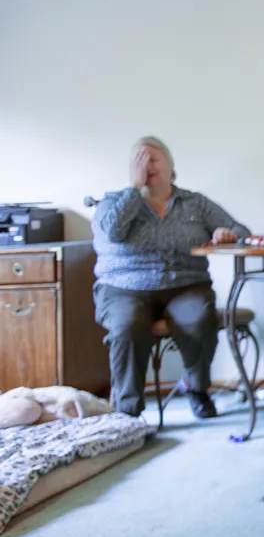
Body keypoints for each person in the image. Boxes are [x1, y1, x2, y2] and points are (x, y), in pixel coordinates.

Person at [91, 137, 250, 419]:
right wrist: (133, 189)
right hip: (123, 288)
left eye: (153, 158)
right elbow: (112, 232)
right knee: (128, 326)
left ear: (170, 165)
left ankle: (196, 387)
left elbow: (241, 229)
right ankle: (128, 411)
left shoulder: (195, 203)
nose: (147, 166)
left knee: (199, 318)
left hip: (185, 285)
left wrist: (228, 235)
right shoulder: (113, 201)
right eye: (139, 160)